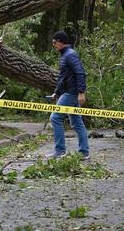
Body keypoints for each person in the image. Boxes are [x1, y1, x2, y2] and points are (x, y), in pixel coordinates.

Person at [48, 30, 90, 160]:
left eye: (54, 42)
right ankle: (84, 152)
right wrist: (57, 92)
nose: (53, 45)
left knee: (55, 118)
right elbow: (63, 77)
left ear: (61, 42)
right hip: (68, 92)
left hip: (72, 93)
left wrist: (81, 92)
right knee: (77, 123)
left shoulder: (70, 55)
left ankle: (60, 151)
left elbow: (80, 73)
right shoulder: (65, 55)